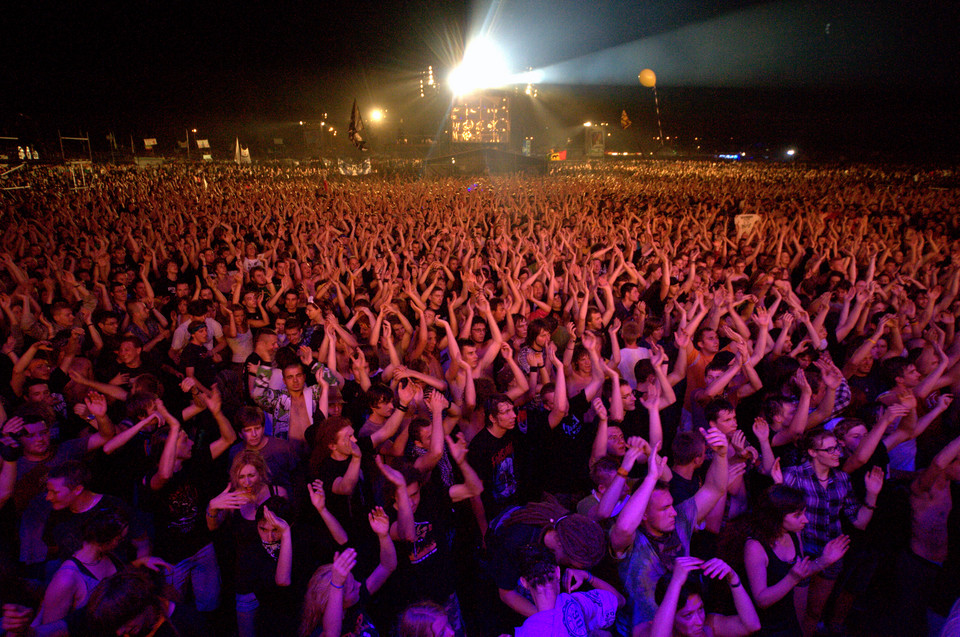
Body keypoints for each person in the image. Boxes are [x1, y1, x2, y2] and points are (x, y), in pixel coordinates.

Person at [299, 507, 397, 637]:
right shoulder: (320, 631)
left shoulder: (354, 603)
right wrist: (337, 583)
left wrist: (383, 536)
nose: (359, 585)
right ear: (337, 600)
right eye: (351, 589)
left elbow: (387, 566)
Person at [514, 547, 624, 637]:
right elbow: (619, 600)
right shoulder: (577, 602)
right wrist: (587, 576)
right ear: (558, 572)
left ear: (524, 582)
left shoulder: (527, 631)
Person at [641, 556, 761, 637]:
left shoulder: (709, 627)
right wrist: (676, 582)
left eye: (700, 609)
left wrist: (733, 579)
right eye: (688, 615)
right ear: (671, 615)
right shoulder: (646, 630)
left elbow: (752, 626)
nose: (699, 621)